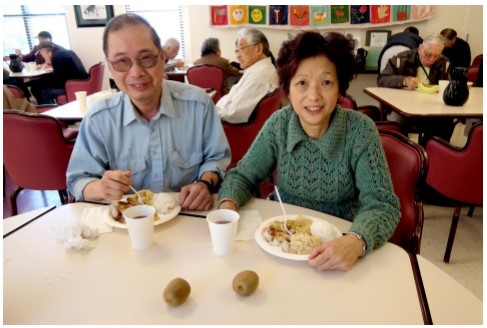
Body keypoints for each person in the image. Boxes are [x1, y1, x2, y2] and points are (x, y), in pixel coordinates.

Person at [218, 31, 400, 271]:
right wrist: (227, 208)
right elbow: (242, 175)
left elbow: (382, 205)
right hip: (284, 242)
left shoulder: (360, 130)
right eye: (302, 83)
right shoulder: (279, 124)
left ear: (339, 88)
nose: (313, 96)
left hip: (340, 245)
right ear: (287, 88)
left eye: (326, 82)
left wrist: (357, 240)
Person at [66, 13, 230, 211]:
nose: (136, 72)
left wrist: (205, 184)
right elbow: (78, 180)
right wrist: (101, 188)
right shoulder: (98, 119)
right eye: (121, 62)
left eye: (146, 58)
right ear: (109, 67)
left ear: (162, 57)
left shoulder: (200, 106)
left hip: (188, 215)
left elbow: (216, 159)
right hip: (126, 223)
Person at [377, 33, 454, 140]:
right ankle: (403, 149)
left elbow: (447, 85)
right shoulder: (401, 59)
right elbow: (382, 79)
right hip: (402, 106)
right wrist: (404, 81)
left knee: (447, 119)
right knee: (396, 120)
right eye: (428, 54)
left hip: (431, 107)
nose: (432, 59)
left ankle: (430, 149)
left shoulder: (444, 62)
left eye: (436, 56)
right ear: (420, 48)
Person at [216, 27, 278, 124]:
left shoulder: (258, 76)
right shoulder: (260, 70)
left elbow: (232, 113)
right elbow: (230, 99)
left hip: (236, 132)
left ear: (258, 49)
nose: (238, 55)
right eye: (237, 50)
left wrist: (214, 111)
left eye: (242, 48)